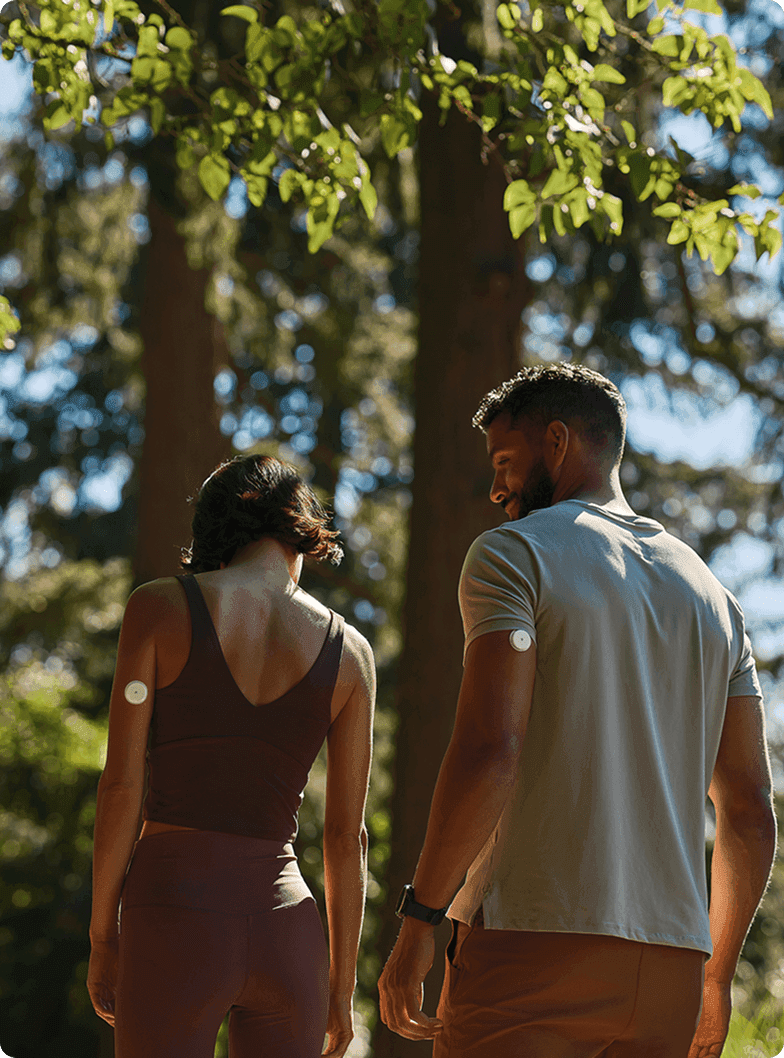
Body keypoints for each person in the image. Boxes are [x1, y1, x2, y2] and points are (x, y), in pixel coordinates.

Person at [378, 362, 777, 1058]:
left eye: (505, 460)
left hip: (532, 944)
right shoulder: (714, 598)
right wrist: (714, 978)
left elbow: (490, 750)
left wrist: (420, 920)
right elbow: (747, 808)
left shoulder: (514, 555)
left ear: (557, 442)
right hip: (671, 969)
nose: (498, 487)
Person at [87, 454, 375, 1058]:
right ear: (299, 525)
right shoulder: (352, 652)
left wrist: (102, 936)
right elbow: (348, 837)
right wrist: (341, 985)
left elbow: (121, 785)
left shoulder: (158, 607)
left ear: (213, 532)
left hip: (175, 910)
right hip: (287, 929)